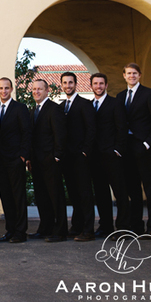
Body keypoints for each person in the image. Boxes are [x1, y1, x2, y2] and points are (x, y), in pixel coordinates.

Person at [117, 63, 151, 238]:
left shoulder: (149, 94)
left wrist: (148, 143)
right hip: (126, 147)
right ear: (124, 75)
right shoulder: (121, 96)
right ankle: (136, 227)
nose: (131, 76)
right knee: (133, 190)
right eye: (128, 73)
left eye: (134, 73)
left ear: (139, 75)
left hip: (142, 146)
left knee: (150, 187)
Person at [89, 72, 130, 235]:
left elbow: (122, 128)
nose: (98, 86)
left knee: (120, 193)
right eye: (95, 84)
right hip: (95, 156)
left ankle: (123, 228)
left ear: (106, 86)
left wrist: (118, 150)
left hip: (113, 155)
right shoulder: (89, 105)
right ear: (91, 86)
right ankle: (105, 226)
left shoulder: (115, 103)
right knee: (101, 193)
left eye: (101, 84)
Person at [0, 77, 32, 244]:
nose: (4, 91)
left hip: (15, 159)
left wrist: (23, 156)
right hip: (0, 161)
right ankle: (10, 230)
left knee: (18, 197)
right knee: (6, 196)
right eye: (1, 88)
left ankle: (20, 232)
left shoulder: (20, 108)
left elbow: (27, 133)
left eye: (7, 88)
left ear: (12, 89)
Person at [59, 72, 96, 241]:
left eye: (70, 82)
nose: (68, 85)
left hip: (81, 157)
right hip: (67, 158)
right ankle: (76, 226)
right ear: (61, 85)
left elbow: (91, 129)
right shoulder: (60, 106)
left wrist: (85, 152)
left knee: (85, 193)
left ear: (76, 84)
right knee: (73, 194)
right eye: (65, 83)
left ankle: (88, 230)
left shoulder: (84, 104)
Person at [29, 79, 68, 243]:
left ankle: (60, 231)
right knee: (42, 196)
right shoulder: (33, 111)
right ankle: (45, 228)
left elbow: (60, 135)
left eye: (40, 89)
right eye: (34, 89)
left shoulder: (54, 109)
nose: (36, 92)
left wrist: (57, 156)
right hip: (37, 161)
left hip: (51, 160)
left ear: (47, 91)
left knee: (55, 196)